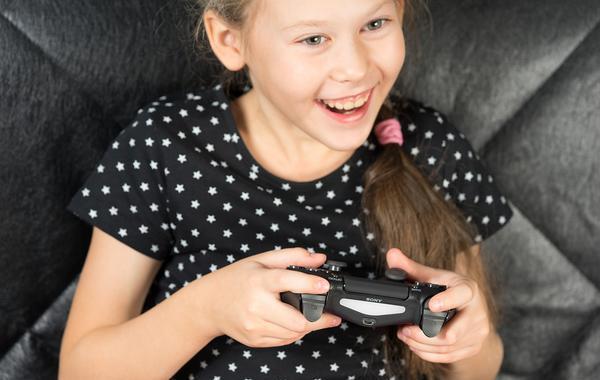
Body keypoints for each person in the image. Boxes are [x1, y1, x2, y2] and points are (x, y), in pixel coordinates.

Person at [58, 0, 513, 379]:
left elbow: (481, 363)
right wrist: (205, 311)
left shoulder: (430, 148)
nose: (354, 69)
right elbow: (81, 370)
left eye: (375, 24)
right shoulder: (167, 144)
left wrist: (466, 337)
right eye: (313, 38)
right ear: (230, 41)